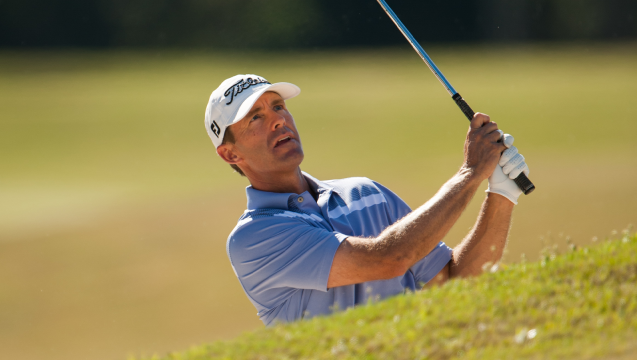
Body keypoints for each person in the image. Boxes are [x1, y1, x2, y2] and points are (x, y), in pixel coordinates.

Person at [204, 74, 530, 326]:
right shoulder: (252, 238)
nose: (278, 119)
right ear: (229, 153)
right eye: (255, 118)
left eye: (278, 106)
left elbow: (456, 285)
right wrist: (470, 172)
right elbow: (390, 258)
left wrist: (501, 194)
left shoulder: (365, 192)